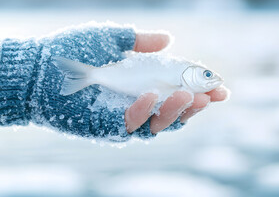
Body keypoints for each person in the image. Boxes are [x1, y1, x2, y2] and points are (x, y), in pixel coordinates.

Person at [0, 22, 228, 142]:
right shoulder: (178, 74)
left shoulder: (179, 75)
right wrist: (32, 76)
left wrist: (27, 78)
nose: (211, 80)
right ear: (190, 73)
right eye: (206, 75)